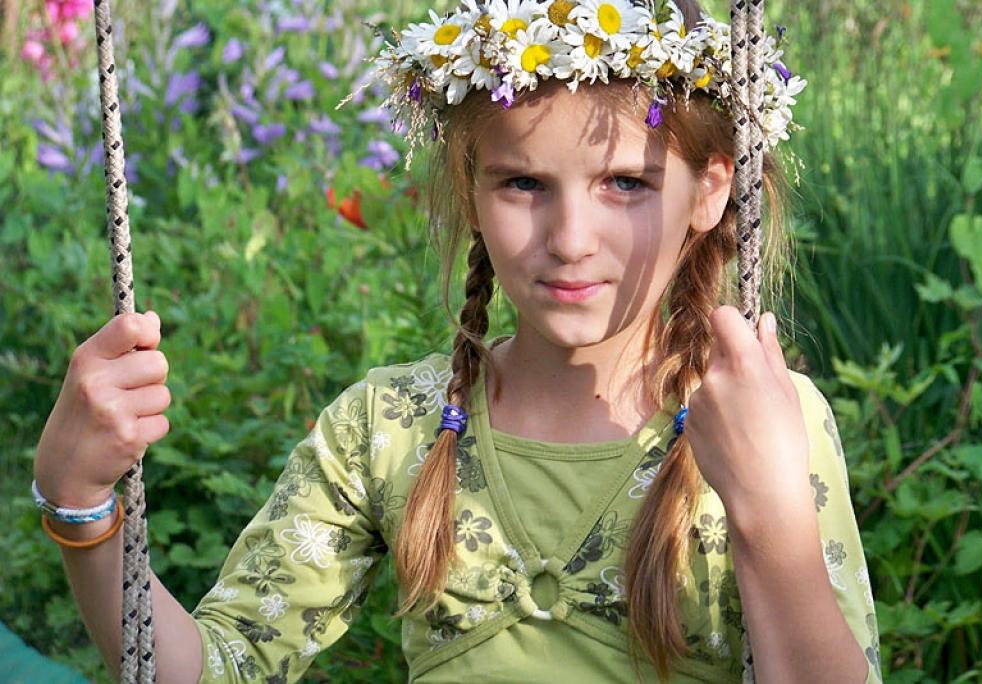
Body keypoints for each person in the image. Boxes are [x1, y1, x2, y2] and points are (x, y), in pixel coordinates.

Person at [31, 0, 882, 682]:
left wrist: (771, 517)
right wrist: (82, 503)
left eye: (626, 183)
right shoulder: (391, 427)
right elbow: (212, 670)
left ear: (710, 192)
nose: (572, 237)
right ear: (469, 191)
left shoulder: (763, 425)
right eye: (523, 183)